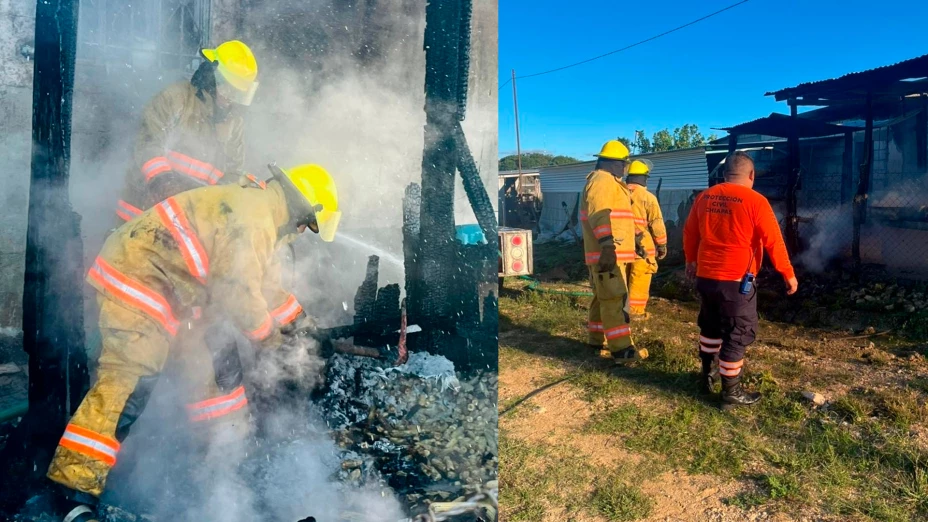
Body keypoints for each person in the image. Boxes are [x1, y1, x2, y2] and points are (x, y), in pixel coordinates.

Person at [39, 164, 341, 522]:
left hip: (175, 294)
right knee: (127, 385)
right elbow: (239, 294)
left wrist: (302, 325)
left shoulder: (260, 214)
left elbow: (265, 285)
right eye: (308, 223)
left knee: (216, 379)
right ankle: (72, 492)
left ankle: (218, 462)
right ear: (302, 207)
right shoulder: (254, 218)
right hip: (139, 282)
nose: (304, 231)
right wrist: (273, 341)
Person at [683, 151, 797, 409]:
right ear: (752, 175)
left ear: (724, 175)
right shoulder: (756, 201)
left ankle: (706, 376)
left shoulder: (704, 197)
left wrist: (691, 261)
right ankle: (731, 393)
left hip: (706, 277)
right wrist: (788, 274)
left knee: (710, 327)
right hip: (735, 281)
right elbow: (773, 241)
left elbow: (690, 231)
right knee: (737, 333)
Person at [114, 40, 259, 224]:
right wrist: (164, 183)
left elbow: (232, 174)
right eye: (227, 89)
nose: (230, 99)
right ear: (212, 77)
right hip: (141, 211)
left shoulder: (235, 124)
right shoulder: (176, 98)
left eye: (238, 94)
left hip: (186, 221)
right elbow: (148, 143)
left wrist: (213, 204)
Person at [580, 140, 647, 364]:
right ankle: (622, 350)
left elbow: (619, 218)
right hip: (608, 253)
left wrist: (634, 239)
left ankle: (596, 340)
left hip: (608, 252)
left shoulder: (607, 182)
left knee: (602, 299)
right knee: (614, 299)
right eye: (624, 164)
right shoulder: (603, 181)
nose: (625, 169)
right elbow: (600, 214)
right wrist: (608, 246)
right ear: (616, 164)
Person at [625, 159, 668, 316]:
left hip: (620, 242)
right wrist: (661, 245)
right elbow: (656, 224)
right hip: (642, 244)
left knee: (621, 277)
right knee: (640, 277)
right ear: (644, 178)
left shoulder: (618, 193)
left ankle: (618, 311)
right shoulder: (648, 197)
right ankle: (635, 312)